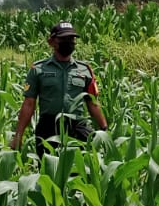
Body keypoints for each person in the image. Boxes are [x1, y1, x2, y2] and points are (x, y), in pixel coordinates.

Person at [11, 21, 108, 155]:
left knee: (79, 172)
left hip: (76, 126)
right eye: (63, 38)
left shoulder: (84, 70)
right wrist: (18, 135)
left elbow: (93, 103)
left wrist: (105, 130)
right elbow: (29, 104)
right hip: (48, 128)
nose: (68, 42)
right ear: (51, 42)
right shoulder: (38, 69)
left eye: (71, 39)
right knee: (48, 171)